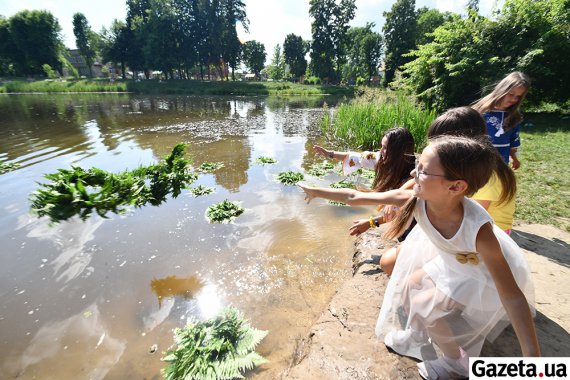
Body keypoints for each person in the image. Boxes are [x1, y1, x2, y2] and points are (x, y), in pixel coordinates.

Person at [300, 136, 539, 379]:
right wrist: (316, 191)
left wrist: (533, 362)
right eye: (418, 165)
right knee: (409, 285)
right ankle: (417, 332)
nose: (414, 172)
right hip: (451, 260)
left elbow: (512, 296)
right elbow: (354, 197)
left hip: (480, 273)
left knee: (428, 309)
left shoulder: (479, 232)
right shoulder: (416, 199)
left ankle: (455, 362)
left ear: (456, 187)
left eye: (423, 170)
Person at [313, 127, 415, 231]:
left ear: (397, 152)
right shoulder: (383, 159)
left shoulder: (412, 176)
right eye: (381, 146)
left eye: (385, 148)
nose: (381, 151)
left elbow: (396, 214)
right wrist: (329, 154)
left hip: (413, 226)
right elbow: (357, 158)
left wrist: (370, 223)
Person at [472, 71, 531, 170]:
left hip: (502, 161)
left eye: (518, 97)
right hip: (480, 159)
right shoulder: (480, 111)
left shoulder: (514, 116)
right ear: (502, 90)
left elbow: (514, 138)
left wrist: (514, 157)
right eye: (511, 94)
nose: (513, 99)